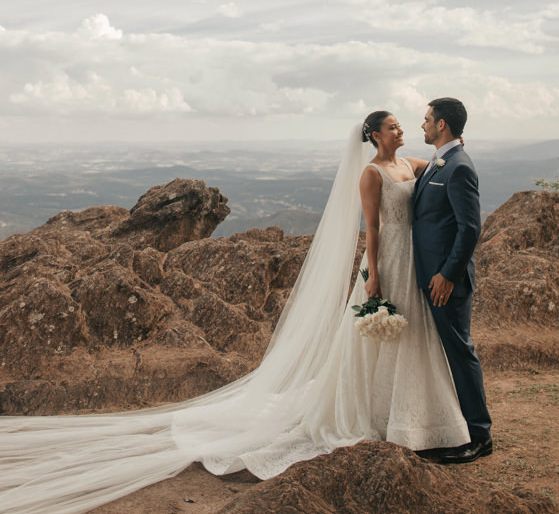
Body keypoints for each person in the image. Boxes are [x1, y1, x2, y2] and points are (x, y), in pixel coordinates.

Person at [0, 112, 470, 514]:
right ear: (374, 135)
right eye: (394, 126)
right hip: (386, 260)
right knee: (371, 342)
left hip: (414, 262)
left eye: (407, 124)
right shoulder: (370, 174)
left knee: (410, 339)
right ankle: (373, 413)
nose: (404, 130)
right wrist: (373, 276)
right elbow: (371, 225)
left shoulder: (412, 165)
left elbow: (440, 172)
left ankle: (410, 416)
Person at [412, 98, 492, 464]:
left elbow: (470, 227)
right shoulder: (440, 159)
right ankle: (452, 426)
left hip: (446, 282)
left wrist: (447, 274)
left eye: (427, 119)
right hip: (430, 277)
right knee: (446, 354)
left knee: (460, 354)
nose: (423, 125)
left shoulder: (458, 167)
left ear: (442, 124)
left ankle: (479, 436)